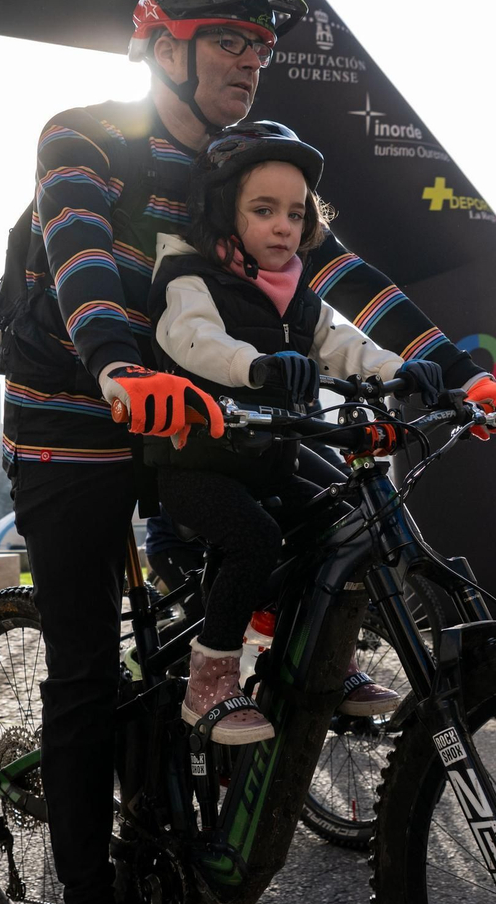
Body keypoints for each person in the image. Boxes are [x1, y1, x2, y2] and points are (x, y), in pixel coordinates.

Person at [0, 0, 496, 904]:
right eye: (229, 39)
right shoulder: (87, 136)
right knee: (87, 676)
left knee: (325, 514)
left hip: (200, 410)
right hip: (76, 415)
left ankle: (229, 689)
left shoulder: (250, 169)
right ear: (163, 47)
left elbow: (345, 279)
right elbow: (80, 260)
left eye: (260, 45)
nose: (252, 58)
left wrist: (459, 369)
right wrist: (117, 364)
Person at [148, 121, 435, 743]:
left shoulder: (295, 292)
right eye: (264, 209)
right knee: (253, 538)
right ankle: (210, 681)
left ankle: (323, 658)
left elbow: (341, 343)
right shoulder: (190, 276)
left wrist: (400, 369)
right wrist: (254, 366)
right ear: (224, 214)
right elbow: (193, 339)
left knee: (345, 524)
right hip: (198, 463)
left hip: (269, 453)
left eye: (296, 213)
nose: (285, 225)